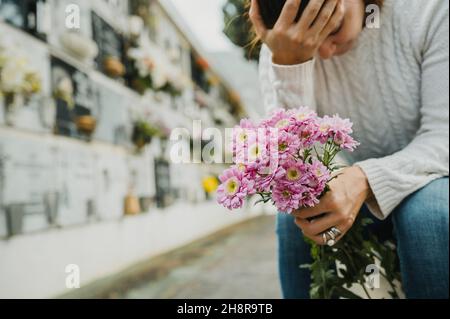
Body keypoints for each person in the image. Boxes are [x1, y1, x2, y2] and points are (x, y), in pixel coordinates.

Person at [249, 0, 449, 298]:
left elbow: (443, 136)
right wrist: (291, 65)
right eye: (309, 43)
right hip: (353, 207)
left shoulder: (427, 10)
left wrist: (364, 180)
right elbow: (296, 173)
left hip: (432, 183)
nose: (325, 52)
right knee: (298, 218)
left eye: (333, 27)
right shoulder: (283, 46)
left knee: (426, 212)